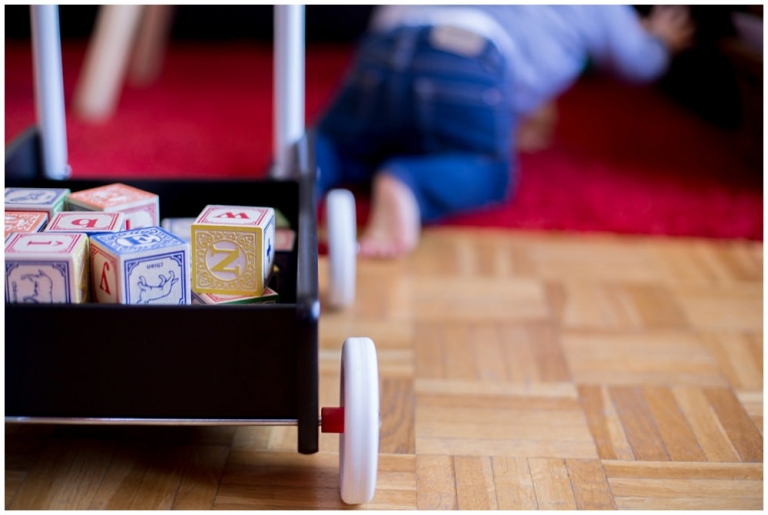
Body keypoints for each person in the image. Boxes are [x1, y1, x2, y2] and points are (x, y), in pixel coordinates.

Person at [313, 5, 695, 258]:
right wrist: (658, 38)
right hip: (470, 60)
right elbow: (639, 63)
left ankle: (288, 201)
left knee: (333, 142)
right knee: (489, 169)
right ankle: (412, 183)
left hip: (383, 49)